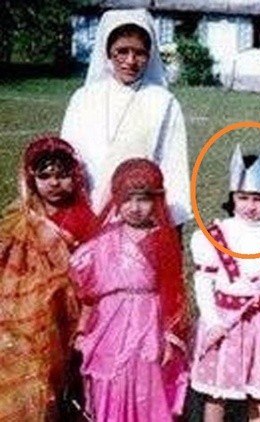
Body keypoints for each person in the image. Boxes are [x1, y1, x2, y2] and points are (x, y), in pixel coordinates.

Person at [69, 158, 189, 421]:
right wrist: (82, 329)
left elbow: (173, 292)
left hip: (148, 324)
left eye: (143, 199)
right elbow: (87, 294)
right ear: (116, 200)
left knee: (145, 379)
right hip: (109, 323)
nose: (134, 208)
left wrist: (170, 334)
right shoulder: (103, 240)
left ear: (156, 200)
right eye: (127, 199)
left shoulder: (162, 239)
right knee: (111, 378)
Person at [190, 146, 260, 422]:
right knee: (217, 393)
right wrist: (213, 321)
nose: (250, 206)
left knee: (259, 396)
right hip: (225, 322)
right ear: (232, 197)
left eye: (258, 199)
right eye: (243, 198)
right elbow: (203, 282)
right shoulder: (214, 235)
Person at [61, 8, 191, 228]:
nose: (130, 61)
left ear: (150, 56)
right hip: (86, 212)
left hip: (138, 217)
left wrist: (171, 224)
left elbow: (173, 167)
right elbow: (68, 158)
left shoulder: (163, 102)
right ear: (108, 52)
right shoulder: (83, 98)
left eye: (139, 53)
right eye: (122, 51)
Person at [0, 136, 97, 420]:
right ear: (30, 179)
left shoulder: (84, 220)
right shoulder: (20, 217)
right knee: (27, 370)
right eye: (44, 176)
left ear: (75, 176)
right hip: (23, 314)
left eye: (62, 175)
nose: (54, 183)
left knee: (61, 372)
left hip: (66, 312)